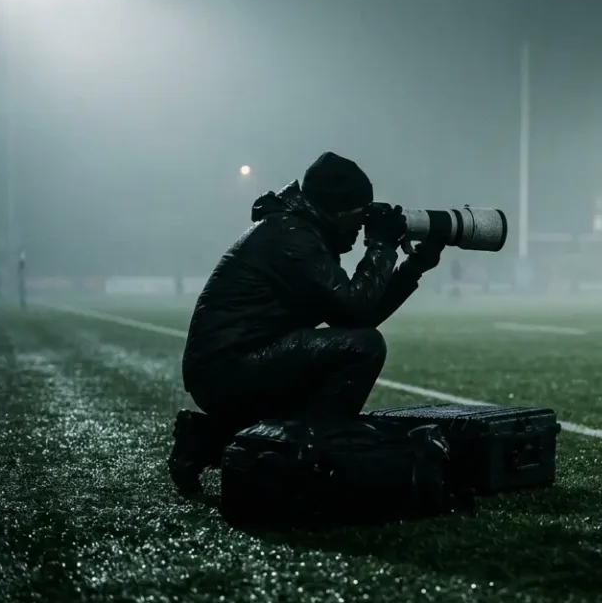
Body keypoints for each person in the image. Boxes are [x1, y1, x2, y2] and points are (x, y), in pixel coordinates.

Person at [170, 152, 444, 497]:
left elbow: (359, 315)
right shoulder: (292, 236)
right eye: (358, 220)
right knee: (363, 347)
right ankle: (309, 456)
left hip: (234, 365)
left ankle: (207, 439)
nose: (360, 230)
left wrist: (412, 268)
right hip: (228, 370)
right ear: (336, 210)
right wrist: (381, 244)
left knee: (356, 343)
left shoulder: (296, 229)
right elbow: (356, 316)